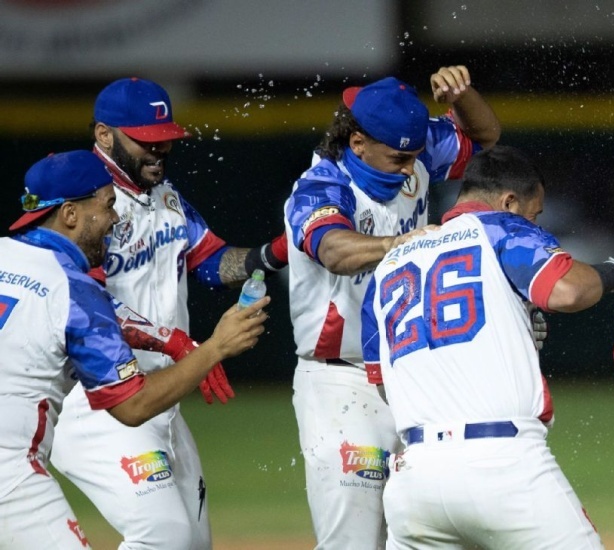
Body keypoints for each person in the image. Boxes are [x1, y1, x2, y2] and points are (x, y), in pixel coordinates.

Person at [359, 145, 614, 549]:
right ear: (509, 202)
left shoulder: (388, 266)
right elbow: (567, 290)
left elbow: (386, 383)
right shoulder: (498, 227)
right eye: (534, 212)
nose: (535, 221)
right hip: (502, 466)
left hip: (414, 480)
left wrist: (508, 329)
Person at [48, 77, 288, 549]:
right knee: (164, 537)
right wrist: (175, 341)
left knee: (192, 544)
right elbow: (82, 303)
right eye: (146, 142)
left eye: (166, 142)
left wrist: (278, 251)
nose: (159, 152)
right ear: (103, 135)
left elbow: (212, 262)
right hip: (98, 400)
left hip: (160, 396)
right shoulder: (83, 205)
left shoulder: (164, 195)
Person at [0, 151, 268, 549]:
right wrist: (215, 347)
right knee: (167, 535)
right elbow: (132, 406)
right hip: (10, 470)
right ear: (70, 214)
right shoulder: (75, 290)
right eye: (108, 206)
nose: (116, 218)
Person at [284, 65, 501, 548]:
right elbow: (335, 251)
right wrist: (404, 243)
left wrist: (463, 96)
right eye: (399, 157)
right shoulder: (320, 185)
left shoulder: (412, 150)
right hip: (341, 378)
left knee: (431, 531)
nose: (411, 168)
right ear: (357, 142)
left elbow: (485, 136)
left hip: (410, 374)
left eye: (416, 156)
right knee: (356, 540)